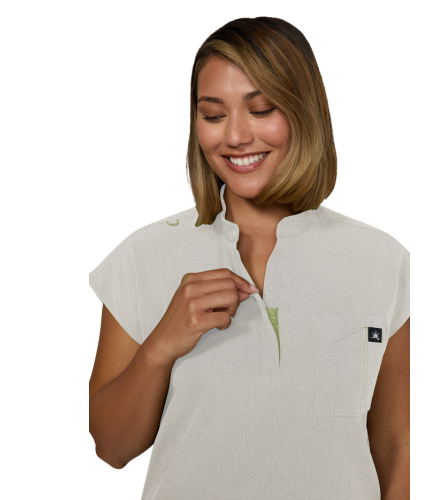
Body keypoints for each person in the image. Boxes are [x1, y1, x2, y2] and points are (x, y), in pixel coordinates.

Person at [89, 16, 409, 500]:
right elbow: (111, 448)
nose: (235, 136)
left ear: (304, 112)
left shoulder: (384, 262)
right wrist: (161, 345)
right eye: (213, 115)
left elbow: (397, 445)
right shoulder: (143, 255)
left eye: (260, 110)